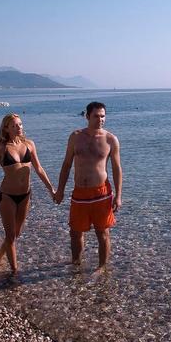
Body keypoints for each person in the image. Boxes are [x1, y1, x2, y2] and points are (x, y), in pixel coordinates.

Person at [0, 113, 55, 273]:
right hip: (7, 195)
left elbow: (39, 169)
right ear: (6, 128)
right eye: (14, 125)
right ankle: (14, 272)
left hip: (26, 195)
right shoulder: (0, 148)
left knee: (16, 233)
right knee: (10, 235)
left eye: (20, 124)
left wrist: (51, 189)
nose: (18, 127)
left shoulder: (29, 144)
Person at [54, 101, 122, 269]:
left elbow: (116, 169)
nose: (100, 119)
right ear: (87, 116)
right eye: (96, 116)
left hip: (102, 193)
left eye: (103, 116)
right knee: (75, 233)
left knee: (103, 233)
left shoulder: (110, 140)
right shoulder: (76, 137)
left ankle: (102, 269)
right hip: (80, 193)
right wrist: (60, 190)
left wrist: (119, 196)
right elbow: (66, 165)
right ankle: (76, 265)